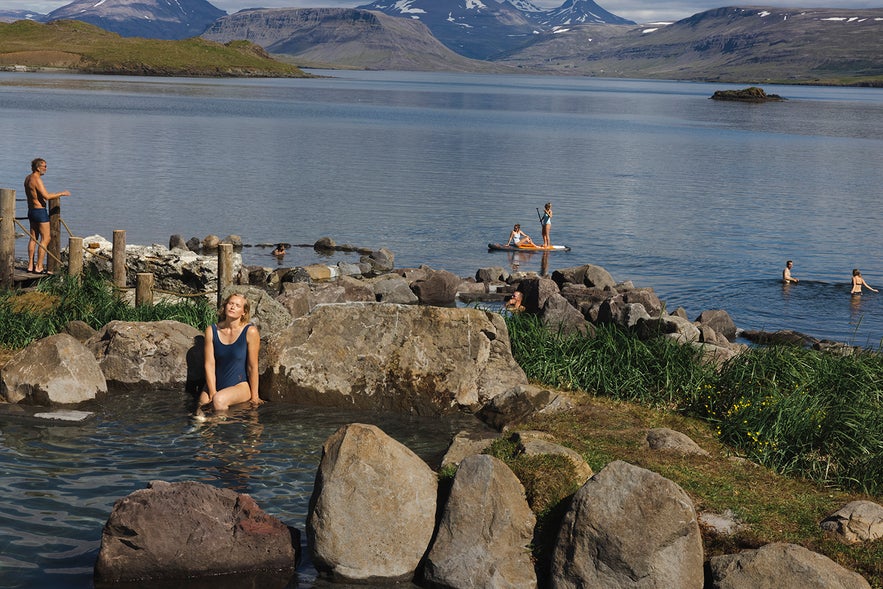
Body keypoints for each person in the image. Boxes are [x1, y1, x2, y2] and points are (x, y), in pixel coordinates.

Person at [198, 293, 262, 413]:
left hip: (240, 385)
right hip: (215, 383)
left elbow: (252, 366)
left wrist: (255, 396)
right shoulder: (212, 330)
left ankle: (221, 430)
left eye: (237, 305)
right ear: (225, 306)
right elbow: (209, 364)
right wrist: (212, 392)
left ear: (244, 312)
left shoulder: (250, 331)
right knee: (201, 408)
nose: (232, 307)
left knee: (219, 400)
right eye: (230, 303)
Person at [24, 158, 70, 274]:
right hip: (40, 211)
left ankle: (30, 265)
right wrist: (62, 193)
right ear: (38, 168)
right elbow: (46, 196)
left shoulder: (27, 178)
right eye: (44, 166)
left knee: (33, 238)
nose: (46, 168)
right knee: (46, 238)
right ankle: (39, 266)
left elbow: (36, 195)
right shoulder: (37, 179)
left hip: (31, 210)